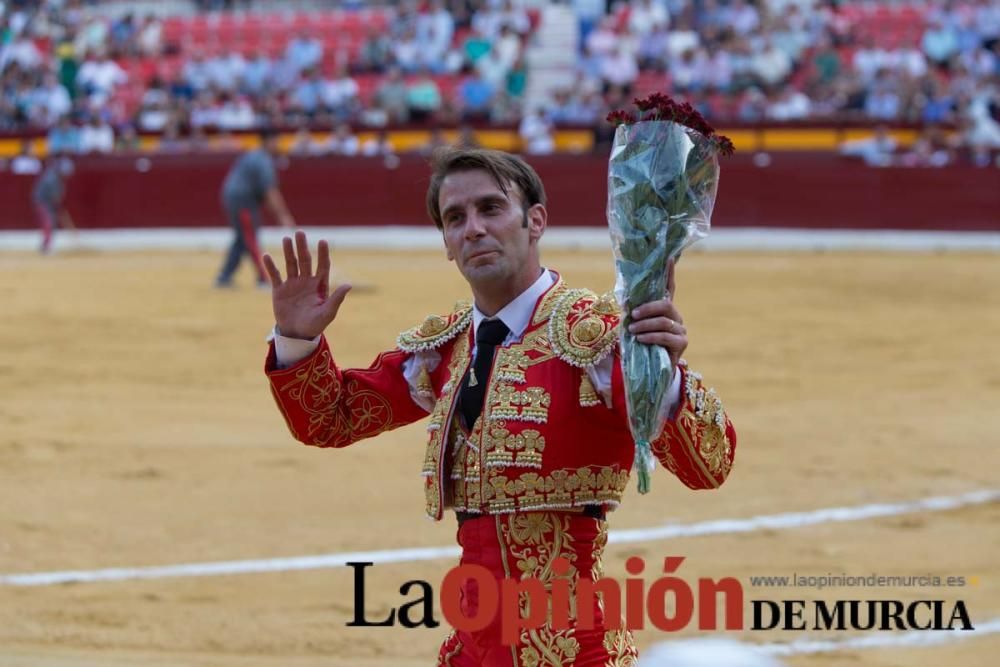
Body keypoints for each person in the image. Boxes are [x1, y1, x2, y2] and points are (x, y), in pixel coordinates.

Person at [262, 148, 737, 665]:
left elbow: (707, 465)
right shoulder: (445, 348)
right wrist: (296, 339)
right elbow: (331, 420)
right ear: (445, 242)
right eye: (455, 218)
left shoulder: (595, 336)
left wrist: (661, 375)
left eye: (491, 208)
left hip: (574, 652)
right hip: (473, 648)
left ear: (536, 221)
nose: (473, 229)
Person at [215, 128, 296, 289]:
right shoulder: (263, 161)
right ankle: (263, 278)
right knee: (250, 237)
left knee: (242, 238)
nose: (278, 145)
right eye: (276, 141)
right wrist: (283, 216)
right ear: (268, 141)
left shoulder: (253, 155)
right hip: (242, 201)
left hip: (235, 198)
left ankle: (224, 276)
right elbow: (270, 192)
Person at [32, 156, 77, 255]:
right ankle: (46, 247)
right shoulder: (52, 178)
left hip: (45, 202)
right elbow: (54, 198)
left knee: (50, 222)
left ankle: (46, 245)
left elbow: (56, 198)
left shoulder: (55, 176)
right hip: (42, 202)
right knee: (48, 222)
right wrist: (59, 207)